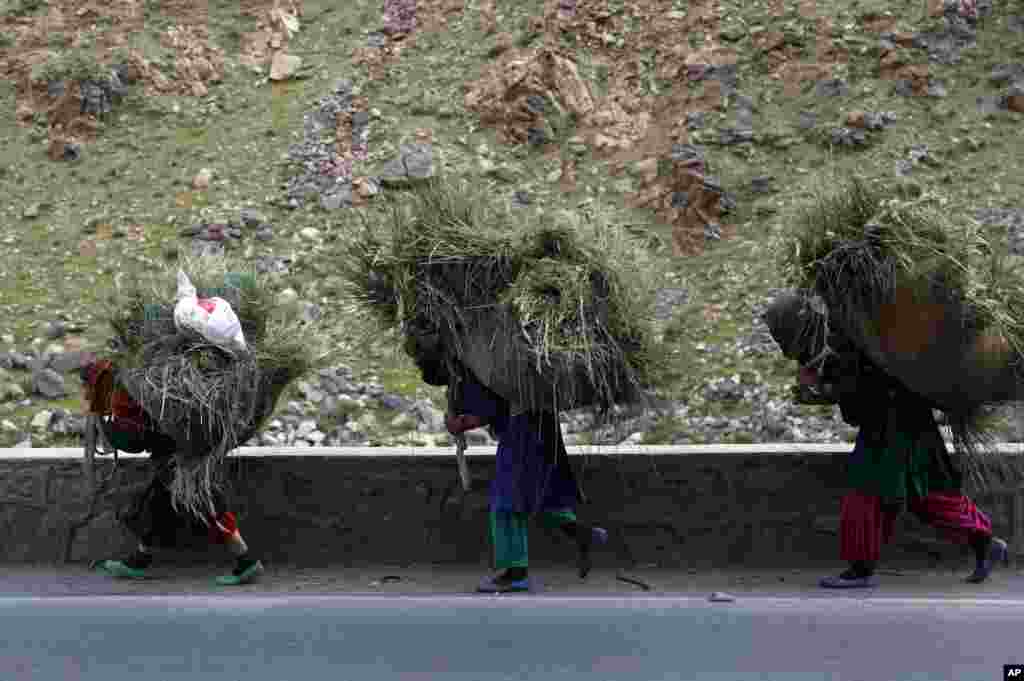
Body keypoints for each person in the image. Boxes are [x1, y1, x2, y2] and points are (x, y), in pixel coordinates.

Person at [806, 351, 1009, 588]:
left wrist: (827, 387)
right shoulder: (891, 344)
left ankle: (860, 569)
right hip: (915, 430)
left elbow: (859, 406)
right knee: (928, 495)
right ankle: (985, 543)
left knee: (866, 496)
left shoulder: (861, 347)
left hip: (887, 436)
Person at [80, 356, 264, 586]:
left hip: (176, 457)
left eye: (88, 387)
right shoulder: (135, 383)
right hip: (177, 451)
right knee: (158, 505)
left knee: (207, 505)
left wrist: (102, 421)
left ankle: (246, 560)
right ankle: (138, 561)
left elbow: (133, 441)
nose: (87, 392)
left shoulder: (123, 396)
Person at [445, 368, 609, 593]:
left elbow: (496, 405)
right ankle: (584, 534)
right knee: (537, 494)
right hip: (542, 425)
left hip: (522, 428)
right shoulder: (516, 361)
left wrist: (463, 423)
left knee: (506, 500)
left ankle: (515, 573)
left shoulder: (491, 360)